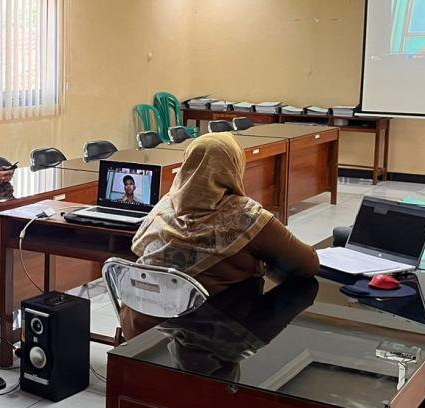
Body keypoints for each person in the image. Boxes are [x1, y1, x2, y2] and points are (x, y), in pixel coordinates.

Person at [126, 132, 319, 338]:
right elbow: (308, 264)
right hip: (205, 334)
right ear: (234, 167)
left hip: (140, 328)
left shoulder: (165, 204)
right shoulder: (245, 216)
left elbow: (138, 248)